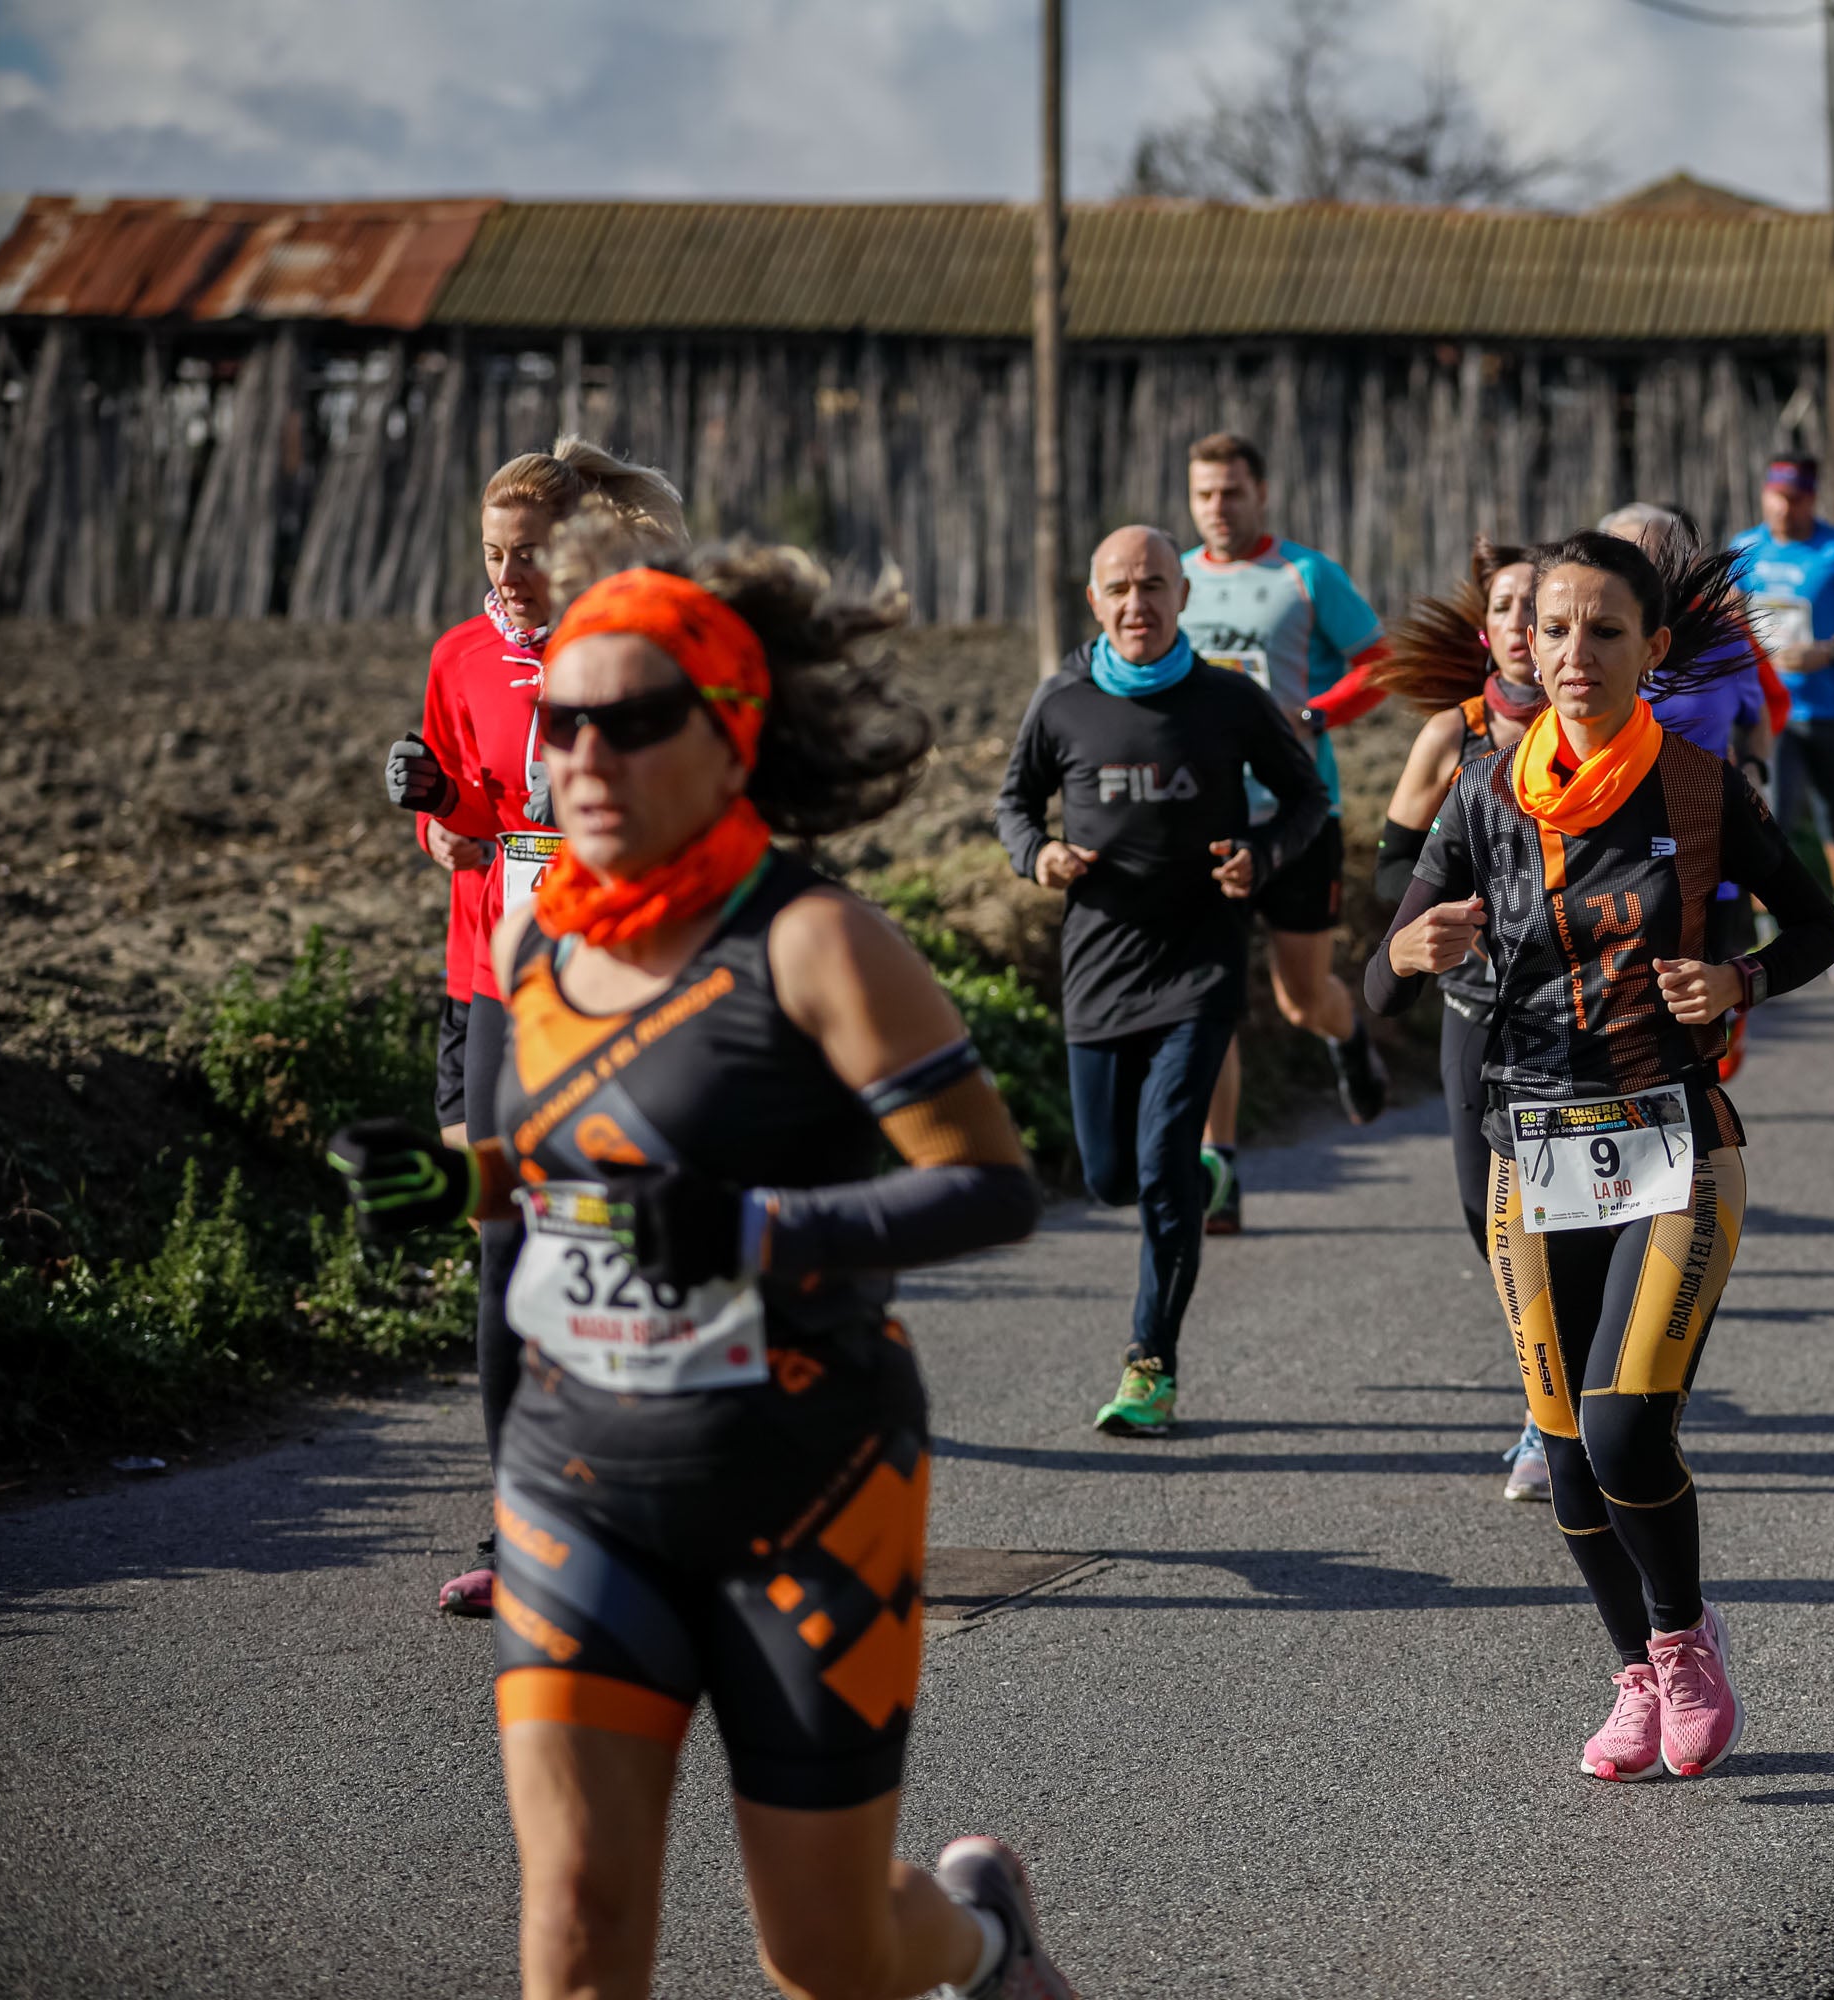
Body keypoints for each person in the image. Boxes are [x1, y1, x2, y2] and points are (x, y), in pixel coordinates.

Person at [328, 538, 1068, 2000]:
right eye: (563, 724)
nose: (584, 753)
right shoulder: (544, 947)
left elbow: (991, 1188)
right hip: (574, 1483)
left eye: (635, 718)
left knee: (827, 1952)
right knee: (579, 1923)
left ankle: (983, 1940)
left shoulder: (814, 941)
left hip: (809, 1490)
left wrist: (754, 1233)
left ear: (728, 731)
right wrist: (457, 1180)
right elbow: (578, 1181)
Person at [1366, 530, 1834, 1784]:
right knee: (1566, 1443)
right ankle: (1635, 1669)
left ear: (1654, 650)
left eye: (1605, 631)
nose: (1573, 653)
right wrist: (1409, 956)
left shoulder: (1701, 789)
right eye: (1556, 629)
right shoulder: (1484, 790)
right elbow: (1377, 974)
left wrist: (1736, 976)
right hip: (1535, 1151)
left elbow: (1819, 927)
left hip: (1674, 1141)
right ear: (1525, 640)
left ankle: (1685, 1638)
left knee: (1629, 1430)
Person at [383, 437, 687, 1619]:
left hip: (614, 985)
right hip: (495, 979)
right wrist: (433, 810)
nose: (508, 578)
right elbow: (470, 810)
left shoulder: (627, 646)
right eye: (492, 557)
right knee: (505, 1250)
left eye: (527, 558)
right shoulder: (460, 654)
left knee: (605, 1243)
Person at [1000, 526, 1330, 1436]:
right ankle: (1205, 1176)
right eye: (1119, 588)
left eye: (1153, 585)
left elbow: (1306, 800)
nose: (1136, 604)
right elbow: (1013, 803)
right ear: (1095, 601)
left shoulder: (1228, 700)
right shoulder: (1062, 700)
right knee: (1109, 1178)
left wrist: (1260, 856)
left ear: (1183, 596)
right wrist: (1039, 856)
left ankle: (1151, 1364)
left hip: (1200, 960)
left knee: (1155, 1172)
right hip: (1099, 961)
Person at [1371, 536, 1557, 1503]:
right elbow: (1389, 869)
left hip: (1575, 1015)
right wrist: (1447, 920)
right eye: (1507, 610)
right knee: (1480, 1213)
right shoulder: (1454, 735)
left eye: (1540, 608)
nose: (1524, 628)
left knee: (1556, 1211)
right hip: (1471, 1005)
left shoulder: (1605, 733)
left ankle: (1549, 1408)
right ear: (1485, 630)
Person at [1179, 432, 1390, 1236]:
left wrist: (1312, 717)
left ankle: (1348, 1039)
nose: (1218, 508)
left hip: (1300, 815)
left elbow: (1381, 661)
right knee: (1211, 1004)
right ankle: (1219, 1171)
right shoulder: (1181, 581)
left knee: (1300, 999)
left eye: (1231, 492)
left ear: (1260, 494)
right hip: (1206, 824)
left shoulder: (1305, 575)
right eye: (1204, 495)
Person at [1600, 502, 1782, 1079]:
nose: (1646, 569)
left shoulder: (1726, 641)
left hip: (1706, 845)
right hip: (1608, 846)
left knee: (1701, 1011)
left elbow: (1758, 715)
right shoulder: (1591, 641)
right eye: (1630, 557)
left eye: (1659, 556)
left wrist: (1753, 771)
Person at [1729, 453, 1834, 980]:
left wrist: (1828, 649)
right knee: (1765, 815)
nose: (1784, 506)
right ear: (1764, 493)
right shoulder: (1743, 549)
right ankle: (1767, 934)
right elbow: (1727, 616)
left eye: (1796, 497)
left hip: (1831, 708)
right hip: (1768, 711)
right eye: (1776, 495)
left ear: (1812, 498)